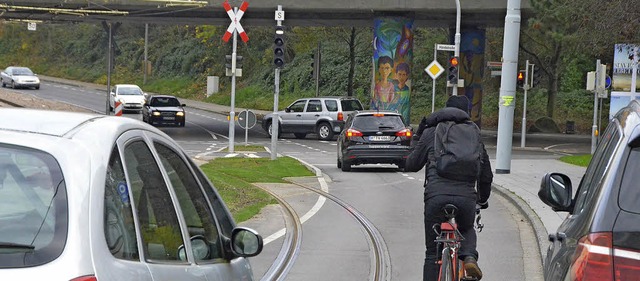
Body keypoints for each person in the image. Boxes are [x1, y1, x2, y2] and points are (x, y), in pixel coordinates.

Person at [405, 95, 493, 281]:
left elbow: (411, 164)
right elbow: (486, 174)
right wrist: (482, 199)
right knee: (467, 227)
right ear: (466, 113)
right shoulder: (473, 133)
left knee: (431, 254)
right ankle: (469, 256)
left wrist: (416, 137)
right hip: (466, 197)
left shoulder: (431, 132)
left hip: (436, 196)